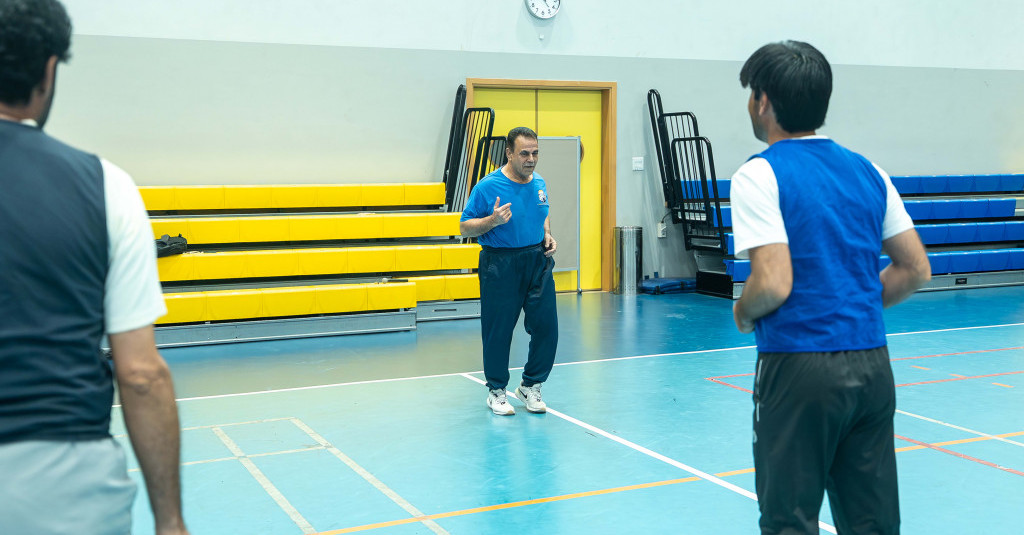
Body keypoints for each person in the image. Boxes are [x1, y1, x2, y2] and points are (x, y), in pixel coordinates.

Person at [0, 1, 189, 533]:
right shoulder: (106, 186)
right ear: (49, 70)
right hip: (64, 486)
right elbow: (141, 374)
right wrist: (170, 522)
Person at [729, 41, 931, 534]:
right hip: (872, 366)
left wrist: (743, 311)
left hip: (798, 368)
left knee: (790, 520)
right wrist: (855, 304)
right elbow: (914, 268)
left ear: (763, 101)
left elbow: (773, 282)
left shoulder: (759, 174)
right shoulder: (869, 171)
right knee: (872, 522)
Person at [460, 126, 558, 415]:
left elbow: (542, 212)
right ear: (509, 153)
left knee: (547, 327)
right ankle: (497, 391)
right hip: (500, 263)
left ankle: (531, 385)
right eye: (524, 153)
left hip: (537, 260)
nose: (531, 159)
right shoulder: (487, 187)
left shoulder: (539, 181)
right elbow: (465, 226)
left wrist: (547, 234)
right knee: (498, 330)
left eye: (535, 153)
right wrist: (492, 220)